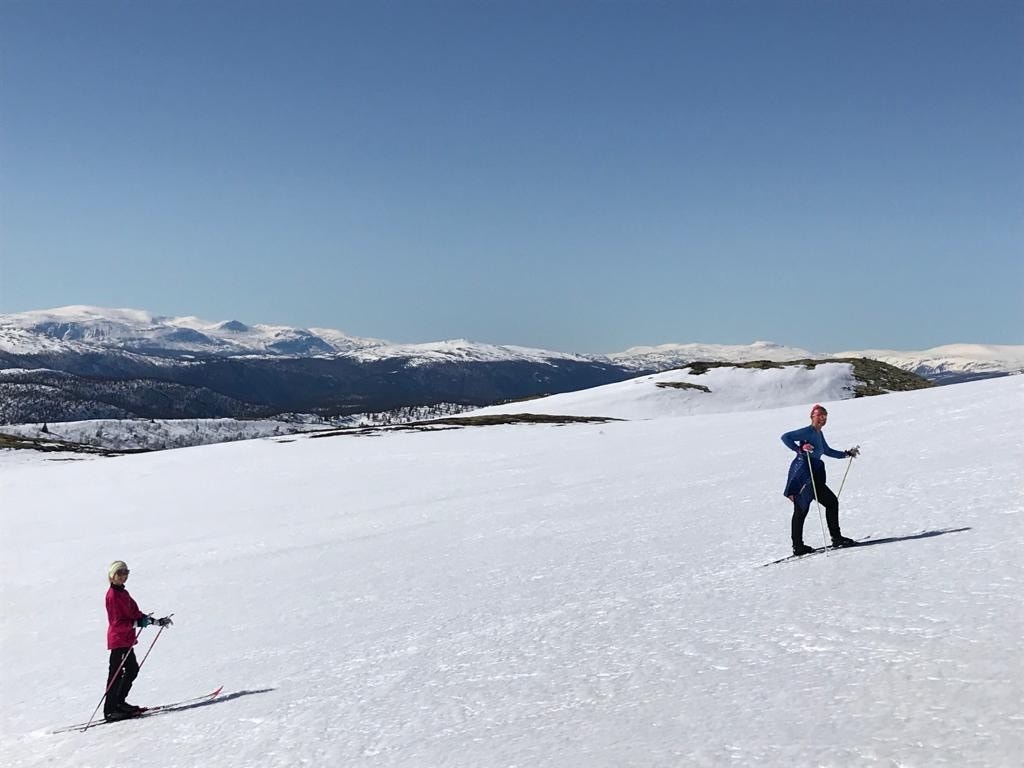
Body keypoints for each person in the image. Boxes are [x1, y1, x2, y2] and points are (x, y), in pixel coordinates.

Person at [781, 404, 860, 555]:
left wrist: (846, 454)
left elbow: (827, 450)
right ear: (812, 417)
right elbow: (785, 437)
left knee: (828, 503)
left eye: (824, 416)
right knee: (801, 509)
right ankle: (799, 546)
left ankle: (834, 538)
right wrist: (800, 449)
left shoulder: (819, 434)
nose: (822, 419)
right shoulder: (807, 431)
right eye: (819, 416)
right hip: (803, 473)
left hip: (814, 472)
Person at [104, 561, 173, 721]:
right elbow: (116, 623)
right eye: (119, 573)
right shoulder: (113, 596)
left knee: (132, 670)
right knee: (116, 675)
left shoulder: (123, 593)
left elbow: (135, 613)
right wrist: (137, 623)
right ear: (112, 576)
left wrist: (155, 621)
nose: (123, 576)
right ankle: (110, 710)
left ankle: (119, 703)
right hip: (118, 640)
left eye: (125, 572)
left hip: (127, 640)